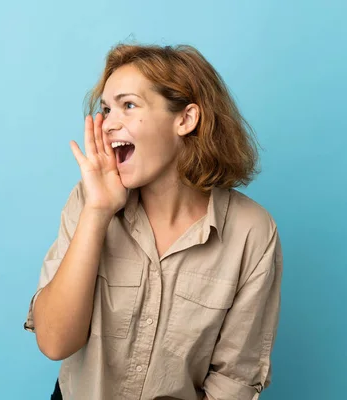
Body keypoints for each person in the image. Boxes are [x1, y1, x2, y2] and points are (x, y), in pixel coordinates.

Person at [24, 43, 283, 400]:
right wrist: (97, 213)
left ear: (185, 119)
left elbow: (235, 379)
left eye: (128, 105)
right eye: (106, 109)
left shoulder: (252, 231)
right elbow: (54, 342)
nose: (109, 123)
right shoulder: (89, 200)